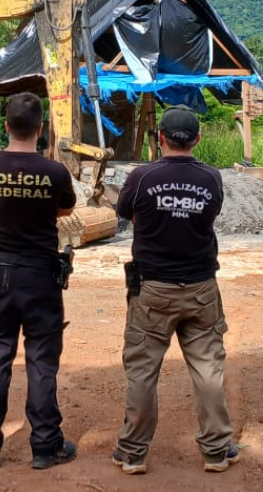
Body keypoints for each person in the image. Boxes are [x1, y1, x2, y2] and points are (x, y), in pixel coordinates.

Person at [112, 104, 239, 475]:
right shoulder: (212, 178)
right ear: (197, 139)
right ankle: (217, 450)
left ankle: (133, 453)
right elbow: (207, 217)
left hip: (152, 290)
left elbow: (127, 214)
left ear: (160, 138)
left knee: (142, 370)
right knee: (208, 369)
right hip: (201, 288)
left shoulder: (141, 177)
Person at [0, 92, 77, 470]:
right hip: (42, 276)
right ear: (41, 128)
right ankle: (45, 447)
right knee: (41, 362)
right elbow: (64, 208)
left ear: (6, 125)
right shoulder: (55, 172)